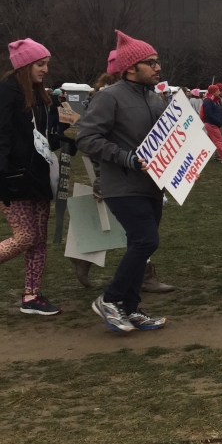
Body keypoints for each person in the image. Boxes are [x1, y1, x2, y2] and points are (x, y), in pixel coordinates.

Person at [77, 30, 171, 332]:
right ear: (131, 68)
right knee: (146, 240)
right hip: (122, 186)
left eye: (157, 62)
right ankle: (110, 299)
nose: (158, 68)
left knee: (140, 244)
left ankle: (130, 309)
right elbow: (87, 138)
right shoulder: (109, 97)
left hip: (152, 186)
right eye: (151, 63)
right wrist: (127, 158)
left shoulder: (155, 99)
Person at [0, 39, 63, 315]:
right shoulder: (6, 93)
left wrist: (62, 138)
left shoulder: (40, 96)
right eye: (40, 64)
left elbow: (42, 139)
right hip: (12, 178)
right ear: (25, 66)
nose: (45, 69)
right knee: (25, 236)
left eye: (46, 64)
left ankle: (31, 296)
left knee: (38, 238)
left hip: (38, 176)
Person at [202, 85, 222, 163]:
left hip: (212, 123)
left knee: (210, 141)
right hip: (212, 124)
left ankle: (207, 155)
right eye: (217, 91)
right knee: (219, 141)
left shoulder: (214, 100)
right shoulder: (208, 101)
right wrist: (217, 121)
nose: (219, 92)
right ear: (213, 92)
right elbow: (208, 114)